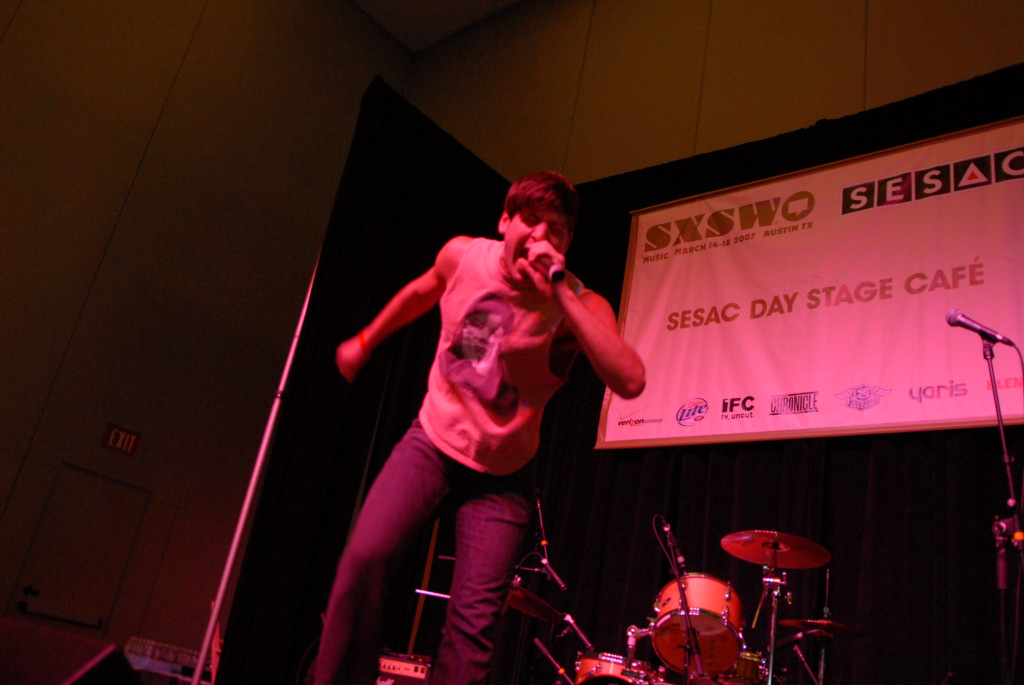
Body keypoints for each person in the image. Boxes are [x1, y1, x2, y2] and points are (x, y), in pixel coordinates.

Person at [311, 170, 646, 685]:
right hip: (433, 441)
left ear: (567, 243)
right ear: (504, 222)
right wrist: (365, 340)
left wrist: (560, 292)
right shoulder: (464, 256)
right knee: (364, 561)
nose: (539, 236)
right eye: (530, 220)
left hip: (502, 477)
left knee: (473, 628)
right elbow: (422, 291)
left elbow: (630, 380)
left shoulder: (581, 303)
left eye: (555, 229)